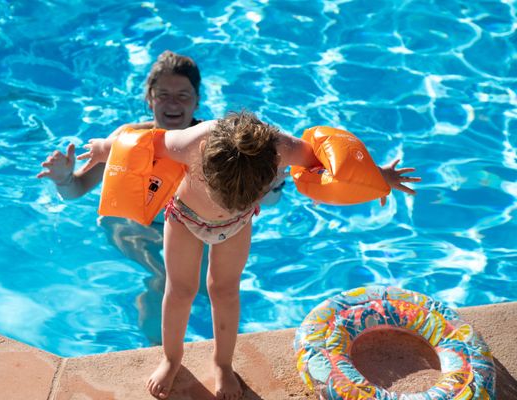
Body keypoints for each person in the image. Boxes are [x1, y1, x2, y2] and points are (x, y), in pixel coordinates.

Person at [77, 111, 421, 399]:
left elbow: (333, 162)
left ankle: (223, 365)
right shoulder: (191, 142)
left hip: (236, 225)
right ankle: (171, 359)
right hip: (184, 217)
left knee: (224, 291)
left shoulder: (282, 149)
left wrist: (379, 177)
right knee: (180, 290)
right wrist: (103, 148)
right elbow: (140, 144)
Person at [36, 50, 205, 344]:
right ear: (149, 98)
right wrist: (63, 178)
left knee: (200, 286)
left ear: (197, 100)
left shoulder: (209, 143)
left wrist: (272, 186)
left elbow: (263, 200)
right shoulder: (127, 139)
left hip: (188, 228)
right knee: (165, 281)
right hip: (131, 227)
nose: (173, 103)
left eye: (183, 95)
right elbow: (75, 190)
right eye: (163, 94)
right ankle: (155, 348)